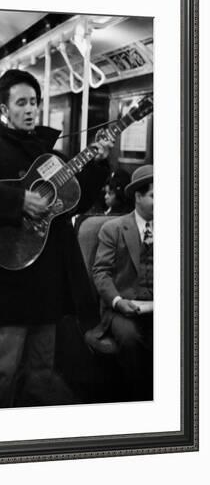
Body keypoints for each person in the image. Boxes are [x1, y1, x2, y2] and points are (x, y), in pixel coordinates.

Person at [0, 69, 114, 409]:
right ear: (4, 110)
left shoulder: (52, 158)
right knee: (1, 370)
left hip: (46, 280)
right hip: (8, 279)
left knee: (40, 373)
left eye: (34, 102)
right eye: (21, 102)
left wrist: (98, 166)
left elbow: (76, 200)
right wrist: (17, 201)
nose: (30, 109)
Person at [90, 164, 154, 401]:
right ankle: (139, 400)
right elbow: (101, 273)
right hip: (121, 307)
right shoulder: (113, 229)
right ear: (138, 196)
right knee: (130, 339)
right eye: (154, 196)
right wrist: (117, 301)